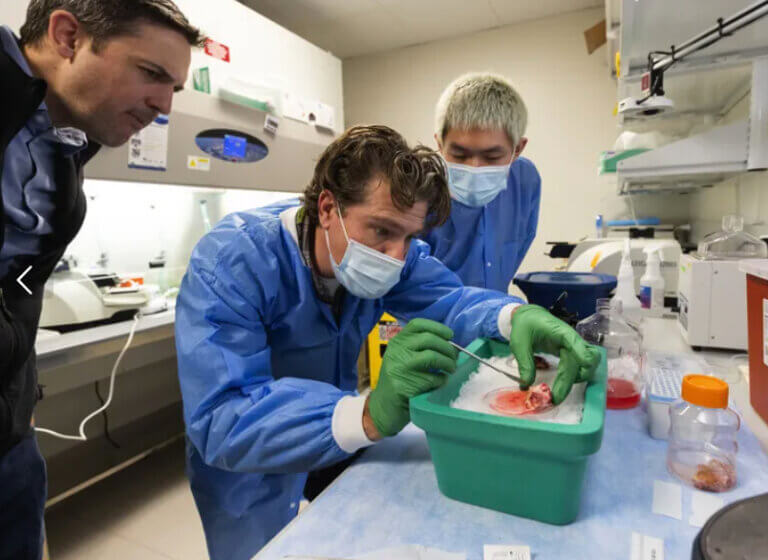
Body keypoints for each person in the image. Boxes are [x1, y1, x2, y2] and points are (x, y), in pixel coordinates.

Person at [175, 125, 599, 560]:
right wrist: (369, 411)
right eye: (381, 230)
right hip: (247, 463)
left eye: (410, 237)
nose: (397, 257)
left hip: (332, 430)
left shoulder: (393, 254)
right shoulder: (232, 261)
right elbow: (220, 417)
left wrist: (513, 316)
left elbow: (449, 299)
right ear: (327, 208)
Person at [0, 2, 203, 558]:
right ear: (67, 37)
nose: (163, 106)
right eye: (152, 74)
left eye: (175, 89)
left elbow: (21, 283)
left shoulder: (65, 138)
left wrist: (19, 394)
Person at [421, 72, 541, 292]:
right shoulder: (419, 187)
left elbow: (520, 245)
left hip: (496, 315)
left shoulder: (525, 181)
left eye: (492, 157)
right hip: (428, 321)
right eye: (459, 154)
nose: (475, 168)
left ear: (518, 149)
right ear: (439, 142)